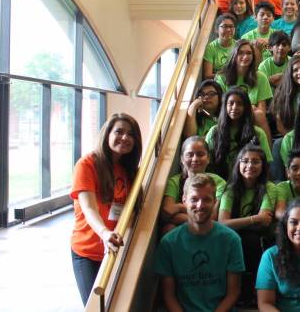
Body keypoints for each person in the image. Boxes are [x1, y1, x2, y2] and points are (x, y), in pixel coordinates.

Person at [70, 113, 142, 305]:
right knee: (93, 305)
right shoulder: (87, 164)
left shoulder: (129, 169)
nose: (125, 138)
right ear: (107, 133)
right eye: (119, 131)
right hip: (87, 251)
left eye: (131, 134)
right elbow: (88, 208)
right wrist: (104, 233)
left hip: (113, 248)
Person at [154, 173, 245, 312]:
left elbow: (233, 293)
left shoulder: (231, 240)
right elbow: (169, 296)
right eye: (194, 199)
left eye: (206, 200)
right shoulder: (169, 242)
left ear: (215, 202)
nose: (200, 205)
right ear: (184, 201)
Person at [219, 143, 279, 277]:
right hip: (232, 236)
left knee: (249, 239)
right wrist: (254, 219)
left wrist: (237, 223)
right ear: (238, 164)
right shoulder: (230, 189)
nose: (250, 166)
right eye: (245, 161)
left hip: (257, 238)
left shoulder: (270, 188)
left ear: (263, 165)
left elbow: (265, 221)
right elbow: (222, 223)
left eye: (255, 162)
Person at [160, 136, 227, 234]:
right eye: (190, 155)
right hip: (183, 231)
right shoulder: (175, 181)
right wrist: (195, 214)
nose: (195, 159)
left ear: (208, 158)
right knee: (169, 228)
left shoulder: (219, 182)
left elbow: (212, 217)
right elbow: (166, 212)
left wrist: (180, 207)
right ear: (182, 159)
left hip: (208, 231)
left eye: (200, 154)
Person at [205, 87, 273, 177]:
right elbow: (207, 164)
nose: (234, 107)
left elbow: (265, 165)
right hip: (220, 182)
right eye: (231, 103)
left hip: (250, 181)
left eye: (239, 104)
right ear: (225, 106)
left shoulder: (258, 133)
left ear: (246, 108)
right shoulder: (214, 132)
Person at [215, 39, 273, 143]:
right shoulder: (222, 77)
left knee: (259, 114)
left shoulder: (260, 77)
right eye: (241, 53)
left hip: (252, 117)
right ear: (234, 55)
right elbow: (221, 105)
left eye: (249, 53)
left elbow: (262, 109)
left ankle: (267, 154)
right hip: (228, 114)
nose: (245, 57)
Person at [203, 13, 237, 79]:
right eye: (224, 26)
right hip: (218, 83)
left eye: (231, 26)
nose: (228, 30)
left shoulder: (238, 45)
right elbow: (207, 75)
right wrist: (226, 76)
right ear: (216, 29)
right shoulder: (211, 47)